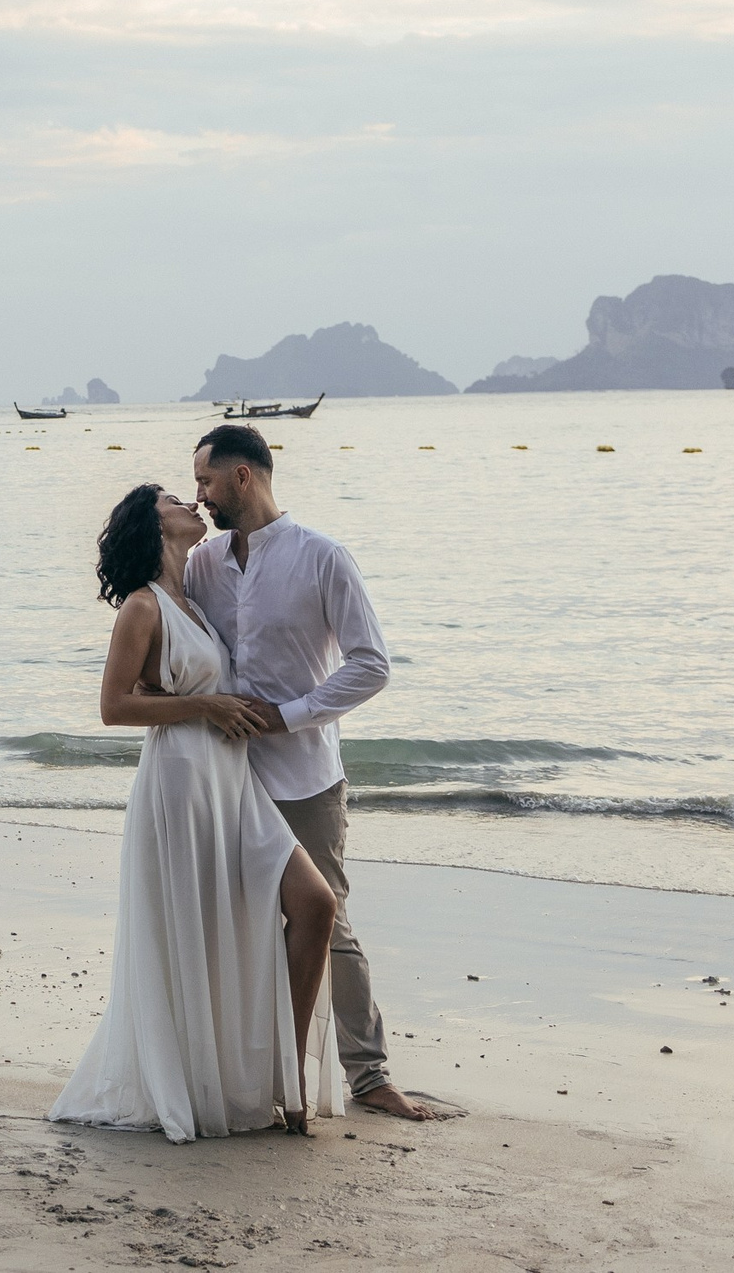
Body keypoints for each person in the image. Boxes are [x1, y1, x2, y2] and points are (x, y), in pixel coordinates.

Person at [49, 483, 339, 1142]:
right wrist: (205, 705)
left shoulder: (197, 603)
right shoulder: (143, 609)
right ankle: (254, 1092)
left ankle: (282, 1078)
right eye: (177, 498)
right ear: (154, 525)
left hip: (231, 782)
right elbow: (114, 706)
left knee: (313, 903)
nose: (193, 502)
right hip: (181, 781)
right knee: (199, 928)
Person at [186, 422, 452, 1122]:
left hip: (305, 778)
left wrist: (290, 712)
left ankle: (369, 1075)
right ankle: (251, 1070)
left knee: (329, 922)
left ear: (244, 476)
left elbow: (372, 664)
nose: (200, 495)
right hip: (228, 778)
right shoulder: (205, 564)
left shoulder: (324, 558)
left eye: (207, 481)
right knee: (235, 924)